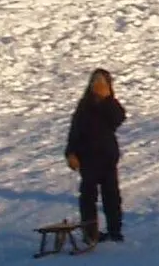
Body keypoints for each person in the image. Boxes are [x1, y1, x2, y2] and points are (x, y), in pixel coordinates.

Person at [64, 68, 126, 246]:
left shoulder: (110, 104)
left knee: (111, 196)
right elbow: (75, 130)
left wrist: (107, 99)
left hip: (107, 158)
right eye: (94, 82)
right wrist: (70, 153)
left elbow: (118, 119)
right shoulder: (84, 105)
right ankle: (90, 233)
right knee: (87, 197)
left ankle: (115, 231)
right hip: (87, 158)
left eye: (101, 82)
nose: (97, 85)